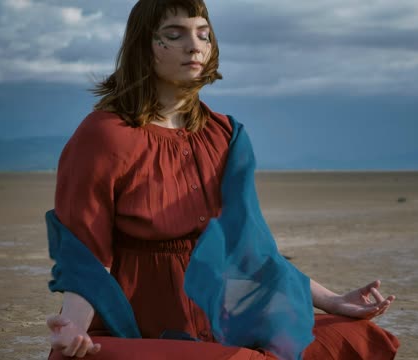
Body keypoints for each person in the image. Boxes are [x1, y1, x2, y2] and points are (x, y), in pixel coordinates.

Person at [45, 0, 399, 359]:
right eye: (174, 34)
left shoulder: (225, 134)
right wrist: (73, 326)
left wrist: (333, 301)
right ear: (143, 45)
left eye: (203, 34)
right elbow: (86, 254)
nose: (194, 46)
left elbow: (252, 253)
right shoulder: (104, 135)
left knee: (355, 334)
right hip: (136, 324)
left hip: (223, 317)